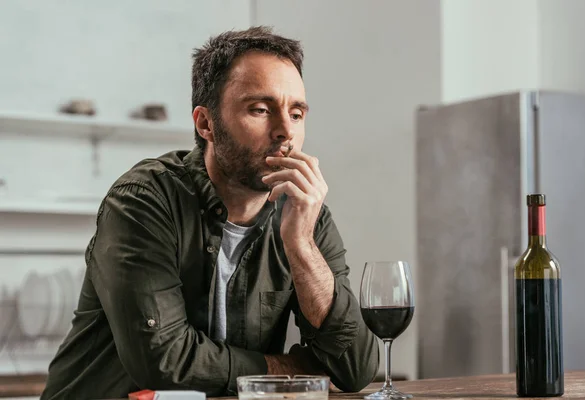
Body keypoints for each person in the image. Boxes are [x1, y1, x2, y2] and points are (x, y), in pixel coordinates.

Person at [41, 26, 379, 399]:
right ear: (205, 124)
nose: (285, 131)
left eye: (296, 113)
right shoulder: (143, 200)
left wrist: (300, 244)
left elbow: (355, 367)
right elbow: (164, 359)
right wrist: (290, 370)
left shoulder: (305, 214)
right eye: (261, 110)